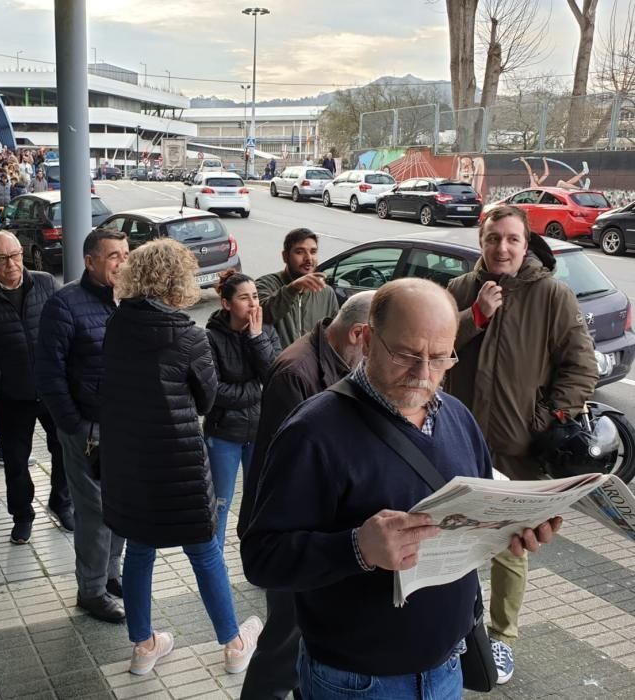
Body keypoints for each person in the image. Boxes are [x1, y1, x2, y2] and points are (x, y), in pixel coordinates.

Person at [241, 279, 561, 700]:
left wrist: (510, 531)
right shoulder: (313, 431)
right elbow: (262, 559)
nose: (423, 373)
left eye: (440, 358)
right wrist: (357, 548)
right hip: (357, 681)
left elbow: (477, 512)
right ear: (369, 340)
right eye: (407, 354)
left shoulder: (459, 420)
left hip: (447, 666)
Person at [445, 205, 598, 684]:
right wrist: (477, 315)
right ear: (481, 241)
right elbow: (438, 351)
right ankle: (455, 630)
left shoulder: (552, 295)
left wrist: (546, 419)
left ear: (525, 242)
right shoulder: (461, 290)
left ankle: (502, 637)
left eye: (511, 239)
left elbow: (581, 368)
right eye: (493, 239)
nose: (502, 248)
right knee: (457, 543)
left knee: (510, 549)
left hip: (519, 450)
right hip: (461, 444)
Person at [100, 238, 263, 676]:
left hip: (130, 458)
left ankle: (143, 647)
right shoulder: (188, 334)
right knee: (205, 550)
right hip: (179, 462)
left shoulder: (117, 324)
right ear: (178, 280)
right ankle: (233, 644)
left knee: (139, 549)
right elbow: (207, 400)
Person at [237, 292, 373, 700]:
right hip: (289, 533)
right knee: (283, 644)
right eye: (379, 344)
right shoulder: (296, 373)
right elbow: (295, 470)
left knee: (307, 641)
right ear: (359, 334)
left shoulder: (333, 358)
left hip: (315, 532)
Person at [37, 227, 130, 624]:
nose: (122, 263)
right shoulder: (64, 304)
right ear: (90, 261)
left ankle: (111, 574)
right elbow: (49, 374)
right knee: (93, 512)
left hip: (127, 426)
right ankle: (90, 590)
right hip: (86, 429)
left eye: (126, 254)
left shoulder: (132, 301)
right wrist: (72, 425)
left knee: (123, 506)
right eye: (113, 256)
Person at [0, 231, 72, 545]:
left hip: (51, 389)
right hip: (12, 394)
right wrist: (1, 377)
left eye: (15, 255)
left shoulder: (46, 282)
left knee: (63, 449)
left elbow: (66, 328)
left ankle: (62, 503)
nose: (12, 264)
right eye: (2, 259)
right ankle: (22, 517)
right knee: (15, 460)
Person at [204, 271, 280, 552]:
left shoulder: (267, 332)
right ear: (226, 304)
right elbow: (212, 391)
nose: (253, 304)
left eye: (256, 297)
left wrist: (256, 337)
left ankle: (256, 557)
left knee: (258, 500)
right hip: (224, 432)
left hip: (260, 430)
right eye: (244, 298)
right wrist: (256, 390)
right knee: (220, 503)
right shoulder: (210, 338)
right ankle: (216, 564)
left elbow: (275, 377)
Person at [256, 228, 339, 349]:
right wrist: (293, 289)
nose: (308, 258)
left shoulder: (326, 292)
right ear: (285, 256)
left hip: (310, 365)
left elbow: (333, 334)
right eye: (300, 252)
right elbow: (264, 315)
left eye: (313, 252)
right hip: (276, 364)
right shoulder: (266, 284)